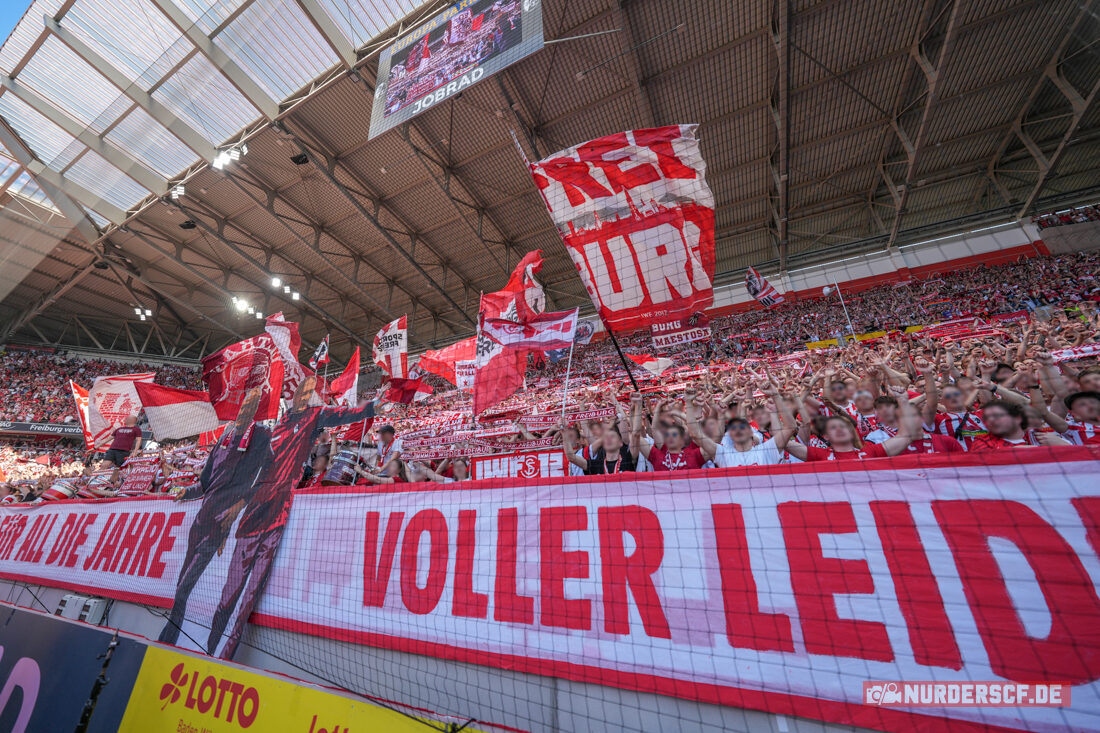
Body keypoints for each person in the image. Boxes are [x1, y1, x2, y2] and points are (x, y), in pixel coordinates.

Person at [205, 377, 375, 658]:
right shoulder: (273, 428)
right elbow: (253, 472)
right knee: (228, 594)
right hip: (252, 516)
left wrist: (371, 406)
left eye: (310, 393)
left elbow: (345, 414)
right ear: (293, 395)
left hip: (278, 518)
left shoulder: (313, 416)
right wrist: (232, 510)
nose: (306, 397)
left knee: (249, 598)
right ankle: (207, 646)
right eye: (303, 392)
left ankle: (224, 656)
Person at [158, 388, 270, 646]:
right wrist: (182, 492)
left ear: (256, 410)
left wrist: (240, 504)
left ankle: (169, 638)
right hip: (201, 520)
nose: (244, 410)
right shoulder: (224, 438)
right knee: (180, 584)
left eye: (250, 406)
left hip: (219, 524)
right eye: (243, 405)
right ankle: (171, 636)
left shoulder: (262, 436)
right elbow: (205, 484)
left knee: (185, 585)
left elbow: (267, 479)